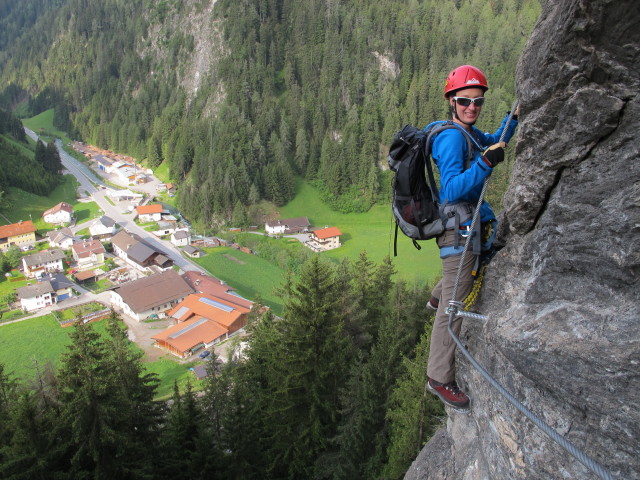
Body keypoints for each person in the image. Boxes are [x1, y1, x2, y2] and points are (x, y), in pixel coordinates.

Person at [425, 65, 518, 409]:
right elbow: (450, 190)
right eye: (464, 101)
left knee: (454, 284)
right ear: (451, 100)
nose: (471, 108)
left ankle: (437, 296)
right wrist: (484, 165)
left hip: (466, 227)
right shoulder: (452, 137)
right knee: (454, 308)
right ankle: (438, 377)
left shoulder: (466, 132)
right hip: (457, 232)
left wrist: (513, 119)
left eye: (478, 102)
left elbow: (492, 141)